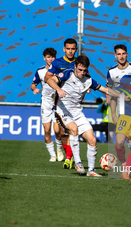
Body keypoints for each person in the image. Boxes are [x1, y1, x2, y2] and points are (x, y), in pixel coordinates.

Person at [47, 55, 121, 177]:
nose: (82, 73)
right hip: (62, 111)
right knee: (74, 129)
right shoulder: (67, 74)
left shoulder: (88, 80)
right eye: (79, 70)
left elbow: (106, 90)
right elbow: (50, 80)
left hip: (77, 113)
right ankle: (78, 163)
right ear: (75, 66)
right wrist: (58, 90)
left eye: (84, 70)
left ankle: (91, 171)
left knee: (92, 140)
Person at [107, 44, 131, 166]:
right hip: (121, 108)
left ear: (127, 54)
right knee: (122, 139)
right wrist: (113, 114)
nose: (121, 56)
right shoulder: (112, 72)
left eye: (123, 53)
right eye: (119, 54)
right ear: (115, 56)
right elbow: (110, 93)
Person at [44, 38, 77, 169]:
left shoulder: (78, 62)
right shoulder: (58, 62)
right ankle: (66, 153)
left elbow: (86, 76)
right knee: (59, 131)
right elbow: (47, 78)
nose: (70, 51)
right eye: (68, 49)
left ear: (76, 49)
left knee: (69, 130)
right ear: (64, 49)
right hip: (59, 101)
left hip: (74, 102)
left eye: (72, 49)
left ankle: (70, 157)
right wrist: (58, 84)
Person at [30, 47, 64, 162]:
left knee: (58, 130)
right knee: (47, 130)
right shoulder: (40, 71)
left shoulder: (59, 70)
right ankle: (52, 154)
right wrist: (34, 89)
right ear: (44, 58)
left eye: (52, 57)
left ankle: (59, 149)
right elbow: (33, 84)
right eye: (48, 57)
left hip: (58, 103)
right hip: (45, 103)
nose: (50, 59)